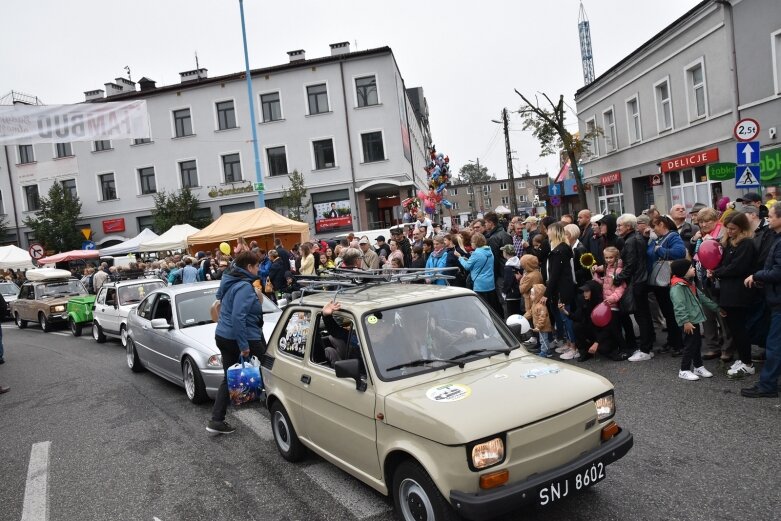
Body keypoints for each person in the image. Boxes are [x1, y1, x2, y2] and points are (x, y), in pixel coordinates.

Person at [207, 251, 265, 435]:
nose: (259, 268)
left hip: (224, 335)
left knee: (227, 377)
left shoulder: (230, 281)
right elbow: (238, 316)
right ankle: (281, 410)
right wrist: (244, 346)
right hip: (241, 336)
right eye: (257, 265)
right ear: (249, 267)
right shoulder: (244, 287)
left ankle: (216, 420)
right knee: (272, 368)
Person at [710, 212, 757, 379]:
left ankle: (747, 363)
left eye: (733, 229)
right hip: (728, 292)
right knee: (734, 329)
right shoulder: (730, 243)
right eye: (728, 228)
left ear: (742, 228)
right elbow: (725, 264)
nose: (729, 231)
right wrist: (716, 271)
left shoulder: (747, 244)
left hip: (739, 293)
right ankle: (744, 359)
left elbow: (737, 267)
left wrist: (717, 272)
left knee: (739, 329)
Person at [743, 201, 781, 397]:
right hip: (774, 298)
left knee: (774, 346)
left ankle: (767, 386)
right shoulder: (774, 237)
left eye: (772, 216)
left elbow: (778, 271)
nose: (768, 219)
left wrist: (757, 276)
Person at [669, 259, 719, 381]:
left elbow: (702, 297)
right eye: (691, 268)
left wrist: (717, 308)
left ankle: (698, 366)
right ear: (684, 272)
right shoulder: (678, 287)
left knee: (696, 344)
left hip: (694, 320)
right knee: (690, 345)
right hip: (687, 322)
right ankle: (684, 369)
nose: (694, 269)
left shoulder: (689, 283)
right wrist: (685, 321)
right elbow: (679, 306)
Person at [644, 216, 687, 358]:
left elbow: (679, 252)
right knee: (668, 314)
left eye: (654, 226)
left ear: (662, 224)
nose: (653, 229)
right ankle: (672, 341)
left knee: (671, 313)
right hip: (659, 282)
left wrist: (659, 250)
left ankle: (678, 344)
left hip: (667, 281)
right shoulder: (658, 238)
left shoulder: (673, 236)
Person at [614, 214, 649, 358]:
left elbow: (630, 265)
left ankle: (645, 349)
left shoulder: (631, 241)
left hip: (637, 281)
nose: (617, 228)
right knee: (643, 316)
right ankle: (647, 346)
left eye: (620, 226)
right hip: (640, 280)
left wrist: (617, 278)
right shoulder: (634, 237)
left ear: (628, 226)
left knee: (642, 316)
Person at [540, 223, 576, 357]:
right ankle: (568, 343)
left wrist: (546, 294)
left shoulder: (559, 251)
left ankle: (573, 347)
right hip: (563, 288)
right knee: (564, 318)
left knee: (566, 318)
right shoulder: (562, 248)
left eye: (549, 231)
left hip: (562, 290)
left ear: (554, 232)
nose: (547, 233)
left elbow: (555, 275)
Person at [588, 246, 629, 361]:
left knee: (615, 329)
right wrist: (595, 274)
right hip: (607, 303)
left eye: (611, 257)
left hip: (613, 304)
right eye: (606, 257)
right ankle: (619, 349)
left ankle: (624, 350)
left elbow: (621, 288)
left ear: (616, 257)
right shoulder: (608, 268)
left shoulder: (619, 270)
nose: (608, 260)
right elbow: (604, 283)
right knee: (613, 329)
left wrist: (612, 298)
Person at [455, 232, 502, 316]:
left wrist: (460, 258)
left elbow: (467, 266)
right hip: (490, 283)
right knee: (491, 306)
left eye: (472, 242)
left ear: (475, 243)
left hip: (480, 284)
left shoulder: (476, 254)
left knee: (482, 308)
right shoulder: (489, 251)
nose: (471, 244)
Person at [530, 283, 554, 357]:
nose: (530, 296)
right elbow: (530, 312)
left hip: (543, 327)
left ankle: (545, 352)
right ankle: (546, 350)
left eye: (533, 294)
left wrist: (538, 326)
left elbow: (542, 318)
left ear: (538, 295)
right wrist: (524, 317)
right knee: (542, 339)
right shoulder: (535, 304)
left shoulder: (541, 306)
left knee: (543, 340)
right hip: (540, 327)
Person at [519, 253, 543, 323]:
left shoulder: (530, 276)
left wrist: (522, 278)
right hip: (536, 300)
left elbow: (521, 289)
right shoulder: (537, 272)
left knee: (531, 323)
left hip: (530, 302)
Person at [500, 244, 522, 317]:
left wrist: (504, 292)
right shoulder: (518, 263)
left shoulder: (508, 267)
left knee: (511, 314)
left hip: (511, 294)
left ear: (506, 253)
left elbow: (507, 281)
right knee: (518, 312)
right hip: (518, 292)